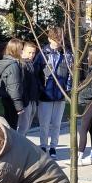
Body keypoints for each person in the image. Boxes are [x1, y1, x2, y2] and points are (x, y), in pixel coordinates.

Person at [35, 27, 71, 158]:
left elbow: (70, 75)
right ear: (49, 39)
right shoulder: (42, 54)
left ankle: (53, 147)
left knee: (56, 124)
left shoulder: (66, 55)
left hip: (60, 95)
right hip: (45, 94)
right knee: (44, 123)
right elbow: (36, 73)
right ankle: (43, 145)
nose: (58, 42)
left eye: (60, 39)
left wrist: (67, 90)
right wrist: (41, 89)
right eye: (56, 40)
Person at [0, 38, 25, 131]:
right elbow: (14, 87)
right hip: (12, 100)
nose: (22, 51)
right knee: (12, 127)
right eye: (21, 48)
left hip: (6, 98)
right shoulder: (13, 66)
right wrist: (19, 106)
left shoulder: (6, 62)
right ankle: (11, 145)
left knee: (8, 124)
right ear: (16, 50)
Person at [18, 42, 41, 137]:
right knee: (23, 126)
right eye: (29, 52)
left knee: (27, 126)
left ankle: (23, 145)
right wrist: (25, 101)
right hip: (26, 100)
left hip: (32, 99)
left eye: (33, 53)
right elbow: (21, 85)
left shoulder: (31, 64)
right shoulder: (21, 64)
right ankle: (19, 148)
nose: (31, 55)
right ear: (22, 51)